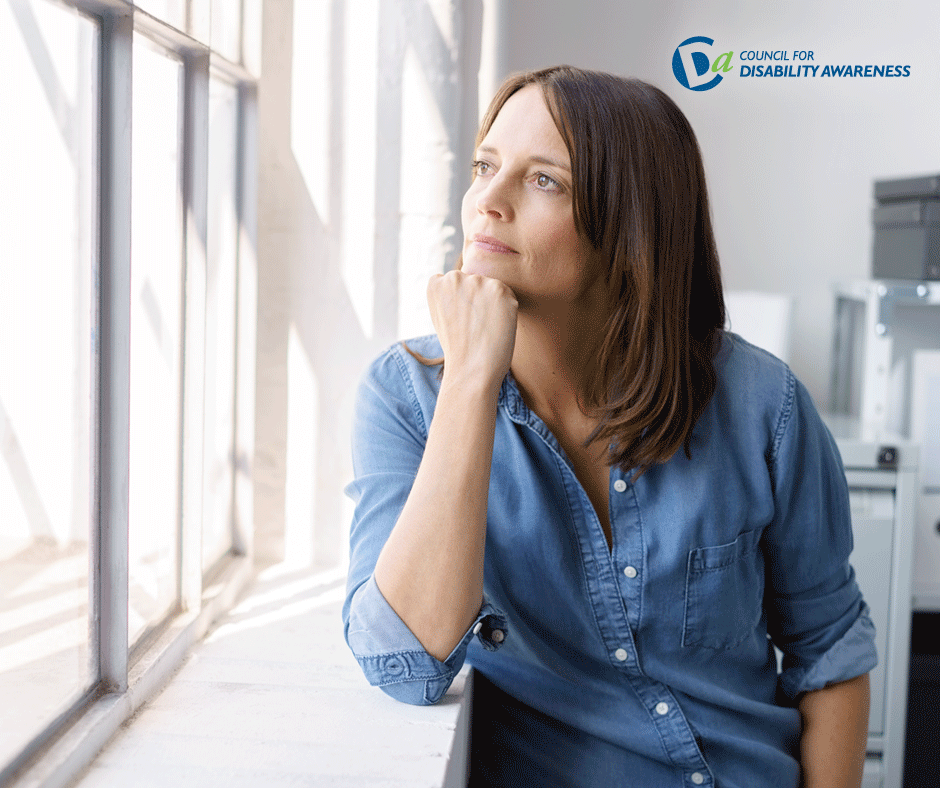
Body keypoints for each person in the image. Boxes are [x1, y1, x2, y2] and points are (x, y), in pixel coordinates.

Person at [341, 65, 876, 788]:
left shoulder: (762, 405)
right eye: (484, 167)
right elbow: (405, 666)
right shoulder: (407, 397)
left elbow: (829, 655)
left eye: (543, 181)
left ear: (629, 223)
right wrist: (470, 381)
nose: (486, 204)